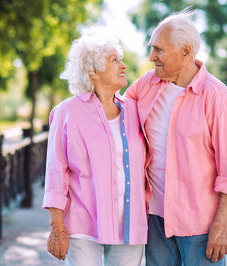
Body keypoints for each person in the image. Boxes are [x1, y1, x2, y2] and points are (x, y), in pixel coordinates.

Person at [126, 8, 227, 265]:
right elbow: (115, 116)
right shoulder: (146, 86)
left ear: (185, 52)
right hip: (155, 219)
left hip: (200, 226)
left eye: (159, 50)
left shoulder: (218, 98)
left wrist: (222, 225)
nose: (151, 57)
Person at [42, 34, 147, 266]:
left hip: (130, 225)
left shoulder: (135, 111)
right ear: (93, 71)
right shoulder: (66, 112)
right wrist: (57, 228)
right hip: (83, 224)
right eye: (114, 60)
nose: (124, 65)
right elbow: (56, 174)